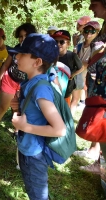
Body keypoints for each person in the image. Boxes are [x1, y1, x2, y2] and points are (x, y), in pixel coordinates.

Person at [10, 33, 66, 200]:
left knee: (38, 195)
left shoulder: (40, 89)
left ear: (37, 62)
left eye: (22, 54)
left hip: (34, 154)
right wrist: (19, 106)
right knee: (33, 191)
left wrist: (24, 127)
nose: (17, 57)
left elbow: (59, 129)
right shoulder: (32, 82)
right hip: (28, 149)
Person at [0, 23, 37, 142]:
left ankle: (17, 130)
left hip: (23, 84)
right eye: (20, 36)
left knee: (19, 108)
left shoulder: (36, 51)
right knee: (3, 106)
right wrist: (0, 77)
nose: (22, 39)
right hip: (9, 79)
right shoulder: (15, 48)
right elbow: (6, 64)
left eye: (26, 36)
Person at [77, 0, 106, 175]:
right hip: (100, 84)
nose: (90, 8)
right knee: (101, 122)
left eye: (94, 3)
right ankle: (100, 162)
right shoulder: (104, 26)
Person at [51, 30, 84, 108]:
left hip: (67, 89)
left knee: (64, 108)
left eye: (62, 42)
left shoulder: (72, 56)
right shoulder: (51, 56)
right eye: (56, 42)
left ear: (68, 44)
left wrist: (73, 75)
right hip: (52, 89)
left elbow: (81, 67)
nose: (58, 44)